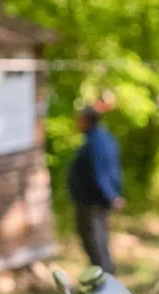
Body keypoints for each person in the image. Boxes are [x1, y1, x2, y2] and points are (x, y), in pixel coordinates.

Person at [66, 105, 124, 276]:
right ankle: (105, 278)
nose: (77, 123)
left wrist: (111, 196)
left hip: (91, 202)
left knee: (95, 243)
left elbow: (100, 172)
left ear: (87, 121)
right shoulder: (105, 139)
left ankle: (104, 280)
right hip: (96, 200)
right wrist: (114, 194)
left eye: (80, 120)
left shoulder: (95, 143)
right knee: (100, 241)